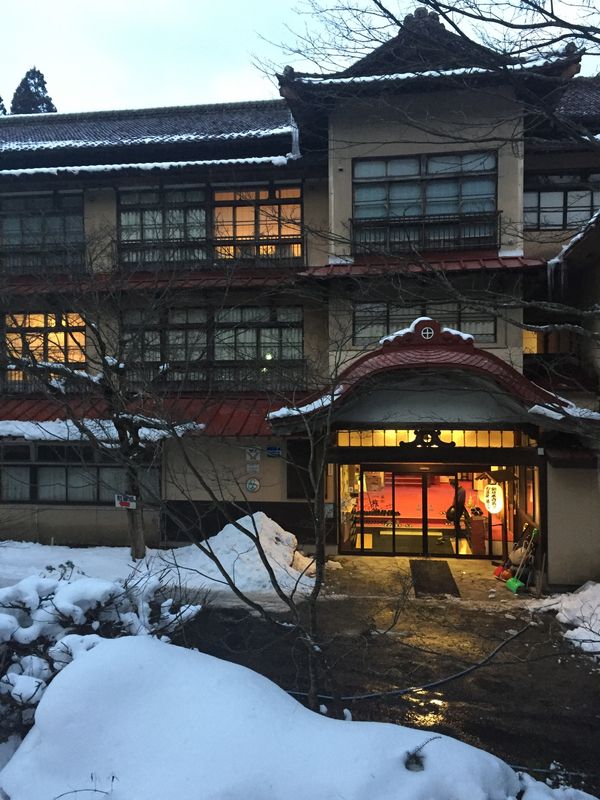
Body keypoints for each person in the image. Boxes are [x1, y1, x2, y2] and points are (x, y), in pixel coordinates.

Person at [438, 478, 471, 544]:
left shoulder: (461, 491)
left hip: (459, 508)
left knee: (456, 520)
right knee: (456, 521)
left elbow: (459, 501)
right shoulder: (459, 490)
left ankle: (458, 533)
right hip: (457, 507)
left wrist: (453, 507)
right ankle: (457, 532)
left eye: (452, 486)